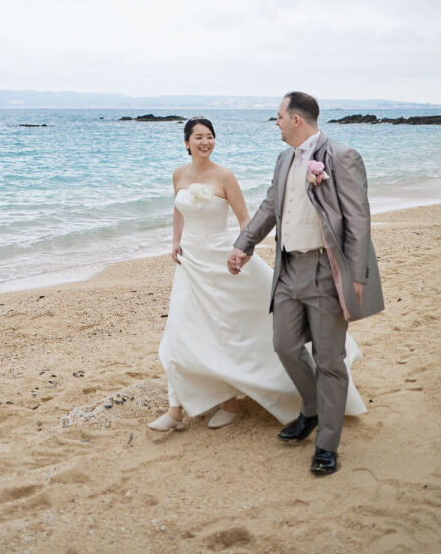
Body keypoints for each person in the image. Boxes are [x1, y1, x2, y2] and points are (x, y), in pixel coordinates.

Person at [149, 117, 365, 432]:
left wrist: (244, 251)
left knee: (236, 329)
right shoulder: (178, 175)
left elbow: (244, 219)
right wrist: (175, 241)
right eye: (199, 137)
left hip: (223, 261)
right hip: (191, 264)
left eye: (210, 136)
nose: (205, 142)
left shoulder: (225, 176)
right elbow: (178, 210)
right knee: (182, 329)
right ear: (186, 143)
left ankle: (233, 402)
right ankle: (177, 411)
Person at [228, 92, 384, 476]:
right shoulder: (283, 159)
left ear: (296, 120)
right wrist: (244, 244)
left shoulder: (341, 156)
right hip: (287, 269)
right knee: (284, 345)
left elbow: (358, 220)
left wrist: (358, 275)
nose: (276, 123)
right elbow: (270, 207)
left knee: (330, 361)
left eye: (278, 117)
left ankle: (327, 445)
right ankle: (312, 409)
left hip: (325, 270)